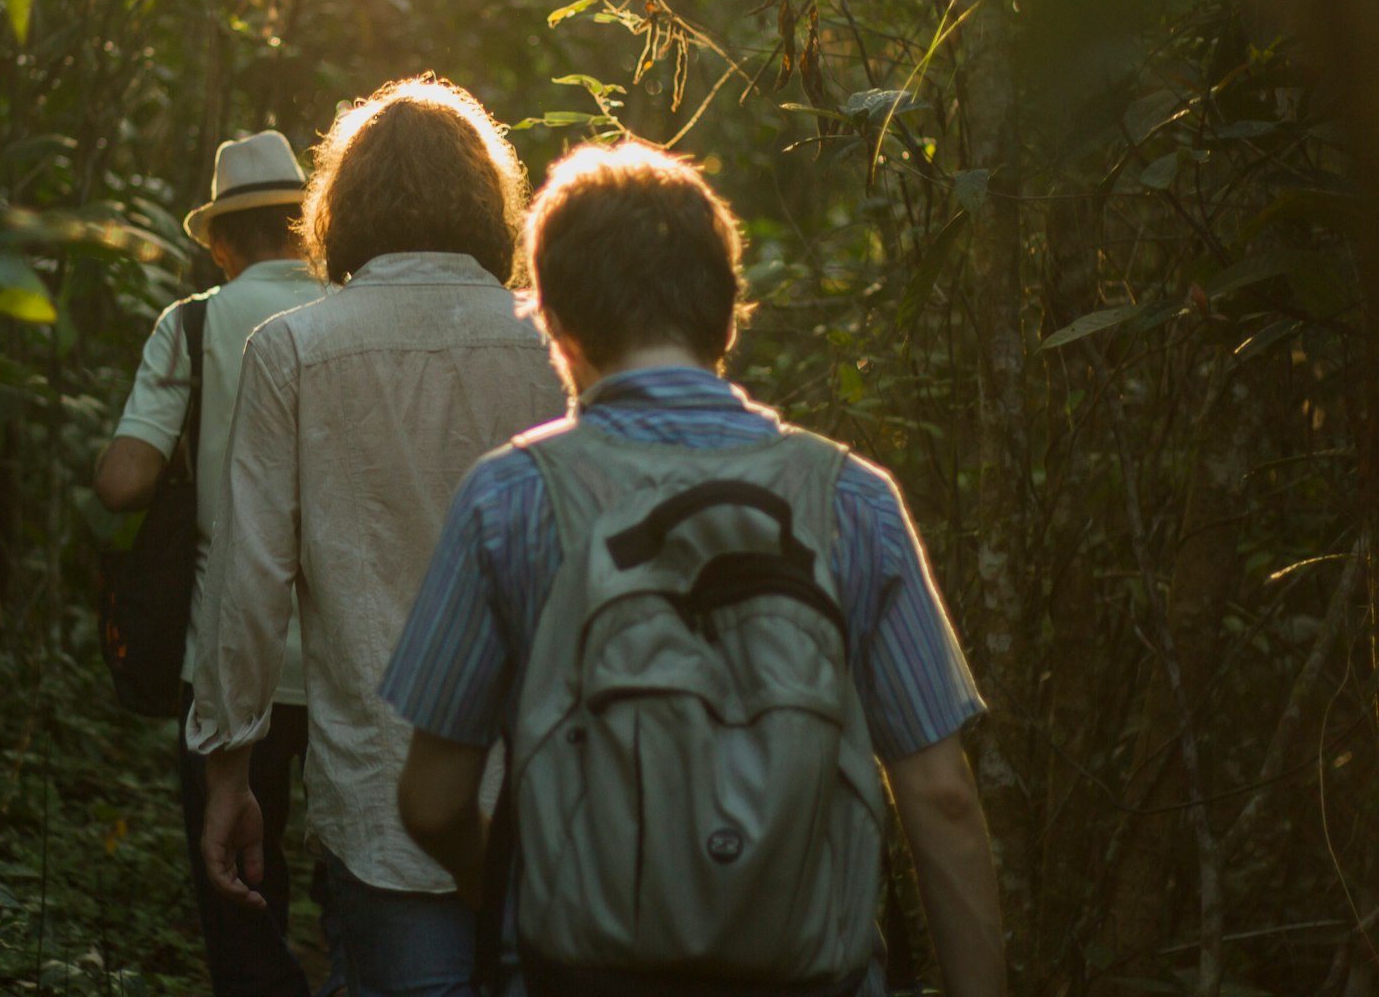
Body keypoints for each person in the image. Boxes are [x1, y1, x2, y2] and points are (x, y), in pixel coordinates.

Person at [381, 141, 1007, 996]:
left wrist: (507, 888)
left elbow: (431, 801)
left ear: (556, 328)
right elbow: (939, 797)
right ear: (728, 315)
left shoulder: (511, 498)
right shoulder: (851, 500)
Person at [186, 76, 567, 997]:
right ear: (491, 200)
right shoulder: (558, 343)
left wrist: (227, 767)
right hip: (554, 802)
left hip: (384, 795)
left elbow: (250, 579)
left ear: (340, 209)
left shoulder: (292, 349)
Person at [95, 129, 330, 997]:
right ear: (308, 227)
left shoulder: (192, 323)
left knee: (238, 891)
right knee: (356, 882)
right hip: (354, 659)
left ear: (222, 240)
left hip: (228, 658)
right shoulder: (353, 311)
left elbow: (124, 482)